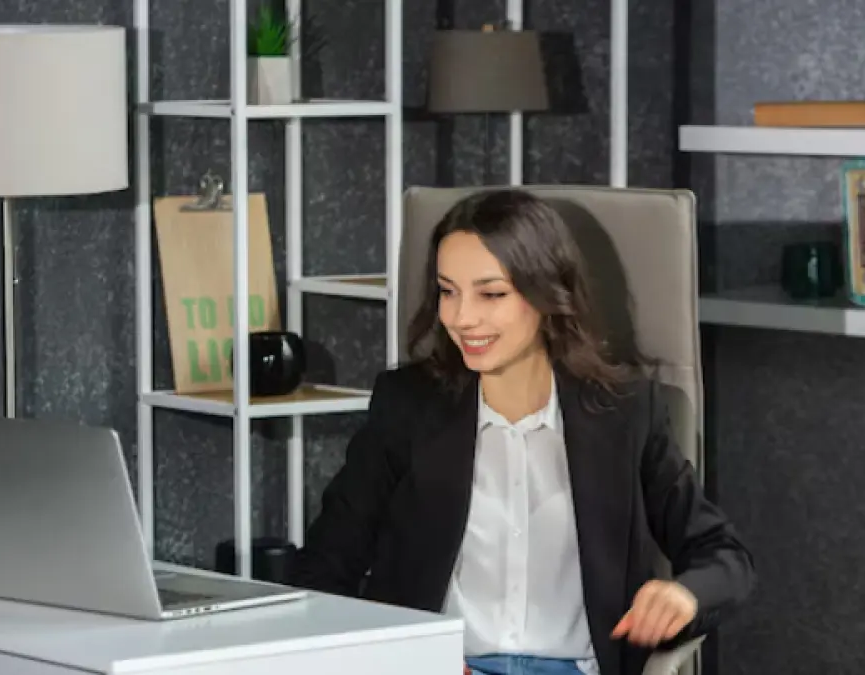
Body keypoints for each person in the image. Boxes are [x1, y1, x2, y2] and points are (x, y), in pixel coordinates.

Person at [289, 189, 755, 675]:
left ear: (547, 294)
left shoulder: (624, 413)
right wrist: (395, 659)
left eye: (491, 293)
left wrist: (685, 594)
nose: (462, 317)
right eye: (448, 291)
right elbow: (324, 567)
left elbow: (724, 556)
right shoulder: (408, 406)